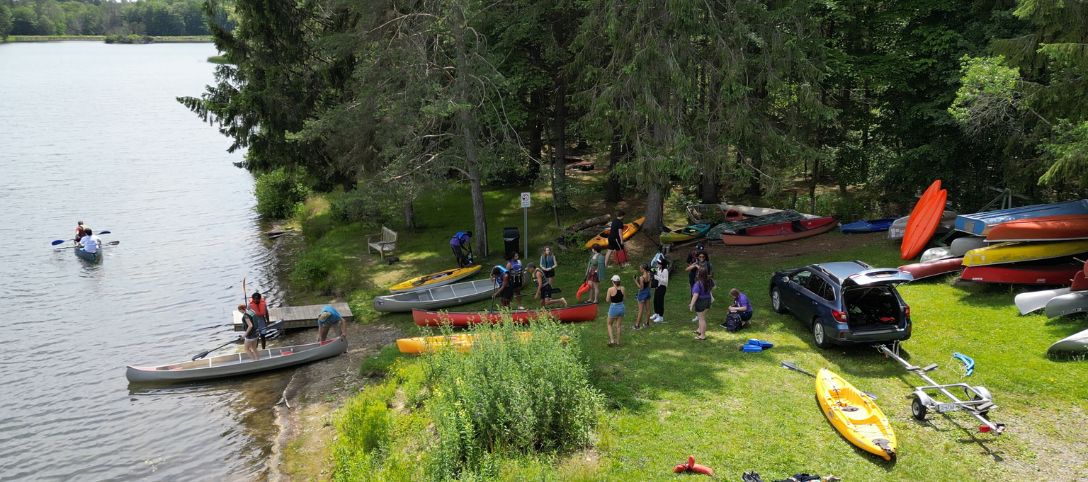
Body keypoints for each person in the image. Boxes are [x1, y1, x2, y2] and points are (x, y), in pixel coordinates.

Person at [686, 250, 712, 322]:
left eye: (703, 257)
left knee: (701, 298)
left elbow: (711, 275)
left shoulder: (708, 264)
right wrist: (694, 265)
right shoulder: (696, 262)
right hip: (697, 282)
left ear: (705, 257)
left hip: (705, 283)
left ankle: (700, 316)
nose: (701, 258)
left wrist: (700, 270)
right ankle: (698, 315)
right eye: (700, 256)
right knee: (696, 298)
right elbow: (687, 269)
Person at [689, 268, 713, 340]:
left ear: (699, 274)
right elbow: (713, 287)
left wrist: (691, 305)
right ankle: (699, 330)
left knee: (701, 319)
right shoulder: (709, 281)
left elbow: (695, 295)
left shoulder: (698, 283)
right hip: (708, 301)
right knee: (702, 317)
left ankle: (702, 335)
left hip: (701, 302)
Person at [606, 274, 625, 347]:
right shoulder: (623, 288)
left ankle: (612, 340)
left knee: (609, 324)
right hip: (621, 307)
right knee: (618, 326)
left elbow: (607, 300)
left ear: (613, 282)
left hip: (614, 308)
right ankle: (618, 342)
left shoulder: (610, 289)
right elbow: (623, 298)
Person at [633, 264, 652, 330]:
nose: (640, 269)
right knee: (648, 309)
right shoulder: (649, 275)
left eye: (640, 268)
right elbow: (649, 286)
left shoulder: (641, 278)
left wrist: (635, 281)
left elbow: (641, 288)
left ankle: (637, 325)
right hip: (648, 293)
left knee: (640, 310)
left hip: (642, 294)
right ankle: (647, 323)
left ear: (643, 269)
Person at [651, 257, 669, 323]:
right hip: (658, 286)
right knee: (655, 300)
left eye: (659, 263)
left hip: (662, 287)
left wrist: (657, 277)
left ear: (662, 264)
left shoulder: (665, 270)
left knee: (660, 301)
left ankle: (661, 316)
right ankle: (656, 313)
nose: (657, 264)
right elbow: (653, 271)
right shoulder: (658, 269)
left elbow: (665, 281)